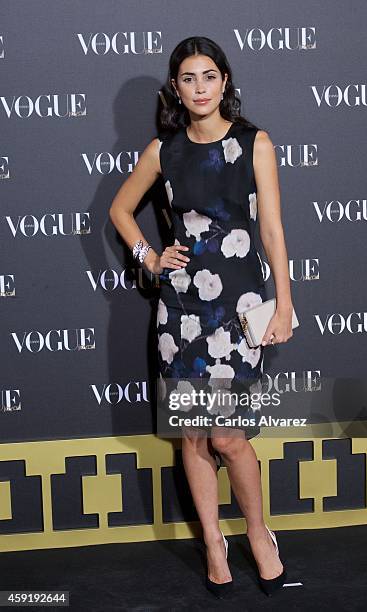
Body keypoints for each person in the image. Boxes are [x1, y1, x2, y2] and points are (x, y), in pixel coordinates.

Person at [109, 36, 294, 599]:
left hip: (239, 307)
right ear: (175, 89)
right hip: (183, 309)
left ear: (225, 81)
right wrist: (149, 257)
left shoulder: (254, 143)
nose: (200, 88)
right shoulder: (163, 151)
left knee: (229, 436)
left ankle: (258, 534)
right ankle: (214, 543)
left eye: (209, 76)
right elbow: (120, 209)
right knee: (193, 435)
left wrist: (285, 302)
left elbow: (272, 231)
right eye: (188, 79)